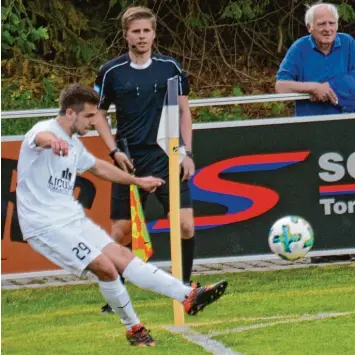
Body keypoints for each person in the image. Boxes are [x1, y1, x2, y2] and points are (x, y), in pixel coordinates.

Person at [16, 83, 228, 347]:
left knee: (122, 256)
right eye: (90, 117)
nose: (94, 123)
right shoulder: (45, 130)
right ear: (70, 113)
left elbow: (100, 168)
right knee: (106, 267)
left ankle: (188, 295)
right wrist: (54, 142)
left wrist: (136, 181)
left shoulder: (73, 143)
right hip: (44, 226)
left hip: (71, 218)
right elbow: (40, 139)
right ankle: (134, 329)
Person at [93, 6, 197, 312]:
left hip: (167, 157)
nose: (141, 36)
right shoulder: (111, 72)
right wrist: (115, 151)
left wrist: (187, 153)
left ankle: (185, 291)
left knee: (186, 225)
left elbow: (184, 111)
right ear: (126, 34)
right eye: (135, 31)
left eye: (146, 31)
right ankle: (116, 297)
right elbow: (98, 114)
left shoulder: (170, 67)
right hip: (129, 162)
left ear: (154, 34)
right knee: (121, 232)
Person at [275, 3, 355, 116]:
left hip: (346, 120)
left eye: (332, 23)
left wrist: (329, 87)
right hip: (311, 124)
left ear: (337, 25)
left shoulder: (348, 43)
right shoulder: (299, 48)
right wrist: (313, 87)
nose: (328, 29)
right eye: (321, 24)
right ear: (309, 27)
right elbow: (281, 87)